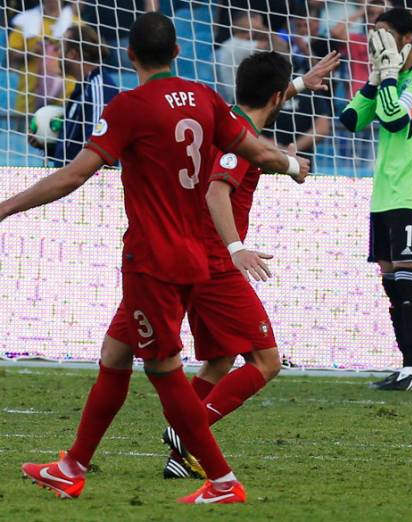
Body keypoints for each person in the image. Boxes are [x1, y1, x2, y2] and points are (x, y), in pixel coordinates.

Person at [8, 12, 308, 504]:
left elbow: (72, 176)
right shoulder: (206, 98)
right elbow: (256, 148)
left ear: (130, 56)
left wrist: (6, 207)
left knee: (163, 368)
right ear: (176, 53)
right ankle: (71, 466)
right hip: (195, 255)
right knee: (115, 353)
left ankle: (222, 481)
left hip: (153, 260)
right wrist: (295, 164)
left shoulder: (129, 106)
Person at [154, 49, 339, 480]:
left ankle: (179, 459)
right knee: (266, 360)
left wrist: (298, 85)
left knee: (219, 360)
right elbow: (218, 190)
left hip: (189, 254)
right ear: (275, 98)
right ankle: (188, 432)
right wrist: (237, 248)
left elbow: (258, 150)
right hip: (216, 262)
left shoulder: (227, 119)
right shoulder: (238, 136)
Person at [338, 8, 412, 392]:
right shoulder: (391, 76)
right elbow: (351, 118)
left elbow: (393, 118)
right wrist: (376, 77)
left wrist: (386, 76)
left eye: (383, 36)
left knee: (408, 277)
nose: (376, 43)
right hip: (384, 194)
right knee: (391, 282)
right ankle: (406, 368)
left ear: (407, 38)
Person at [28, 25, 118, 166]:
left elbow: (96, 153)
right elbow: (74, 151)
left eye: (60, 48)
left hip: (90, 186)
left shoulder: (99, 88)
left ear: (73, 54)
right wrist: (47, 146)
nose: (57, 54)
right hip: (72, 184)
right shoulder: (81, 89)